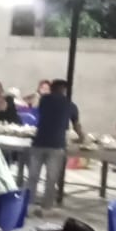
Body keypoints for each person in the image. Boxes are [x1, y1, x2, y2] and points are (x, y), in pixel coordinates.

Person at [25, 79, 84, 210]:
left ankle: (28, 203)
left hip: (39, 142)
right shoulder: (70, 105)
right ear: (65, 90)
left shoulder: (44, 100)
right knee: (51, 179)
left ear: (52, 89)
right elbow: (76, 125)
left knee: (33, 177)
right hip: (57, 145)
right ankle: (47, 206)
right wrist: (82, 137)